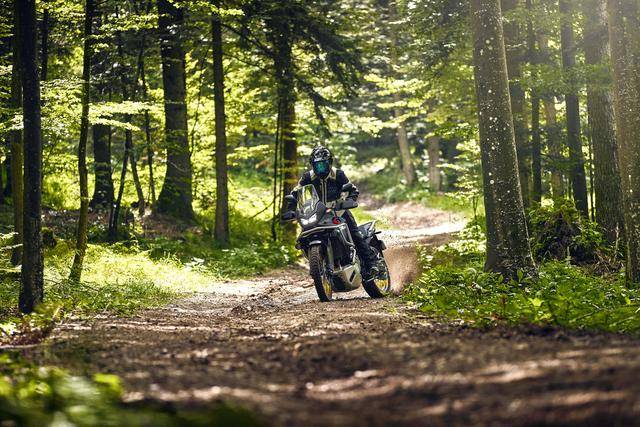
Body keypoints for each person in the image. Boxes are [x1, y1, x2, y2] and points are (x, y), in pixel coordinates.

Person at [287, 146, 378, 280]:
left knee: (356, 235)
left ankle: (372, 265)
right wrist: (291, 208)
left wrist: (349, 201)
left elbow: (353, 190)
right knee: (304, 236)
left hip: (339, 211)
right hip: (318, 214)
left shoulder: (338, 174)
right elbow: (296, 193)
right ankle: (319, 262)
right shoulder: (308, 177)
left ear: (329, 163)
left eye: (323, 164)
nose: (321, 168)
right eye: (318, 165)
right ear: (312, 165)